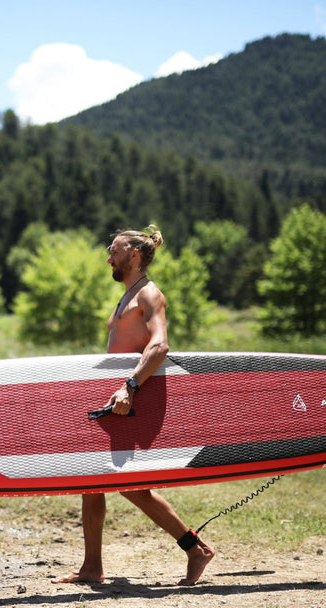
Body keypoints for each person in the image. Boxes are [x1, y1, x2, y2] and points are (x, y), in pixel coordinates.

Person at [53, 224, 215, 586]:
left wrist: (129, 387)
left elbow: (159, 346)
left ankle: (196, 548)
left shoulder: (149, 295)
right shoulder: (127, 295)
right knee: (93, 480)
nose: (108, 255)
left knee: (130, 485)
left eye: (115, 249)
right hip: (117, 399)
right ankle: (92, 567)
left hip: (133, 399)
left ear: (135, 255)